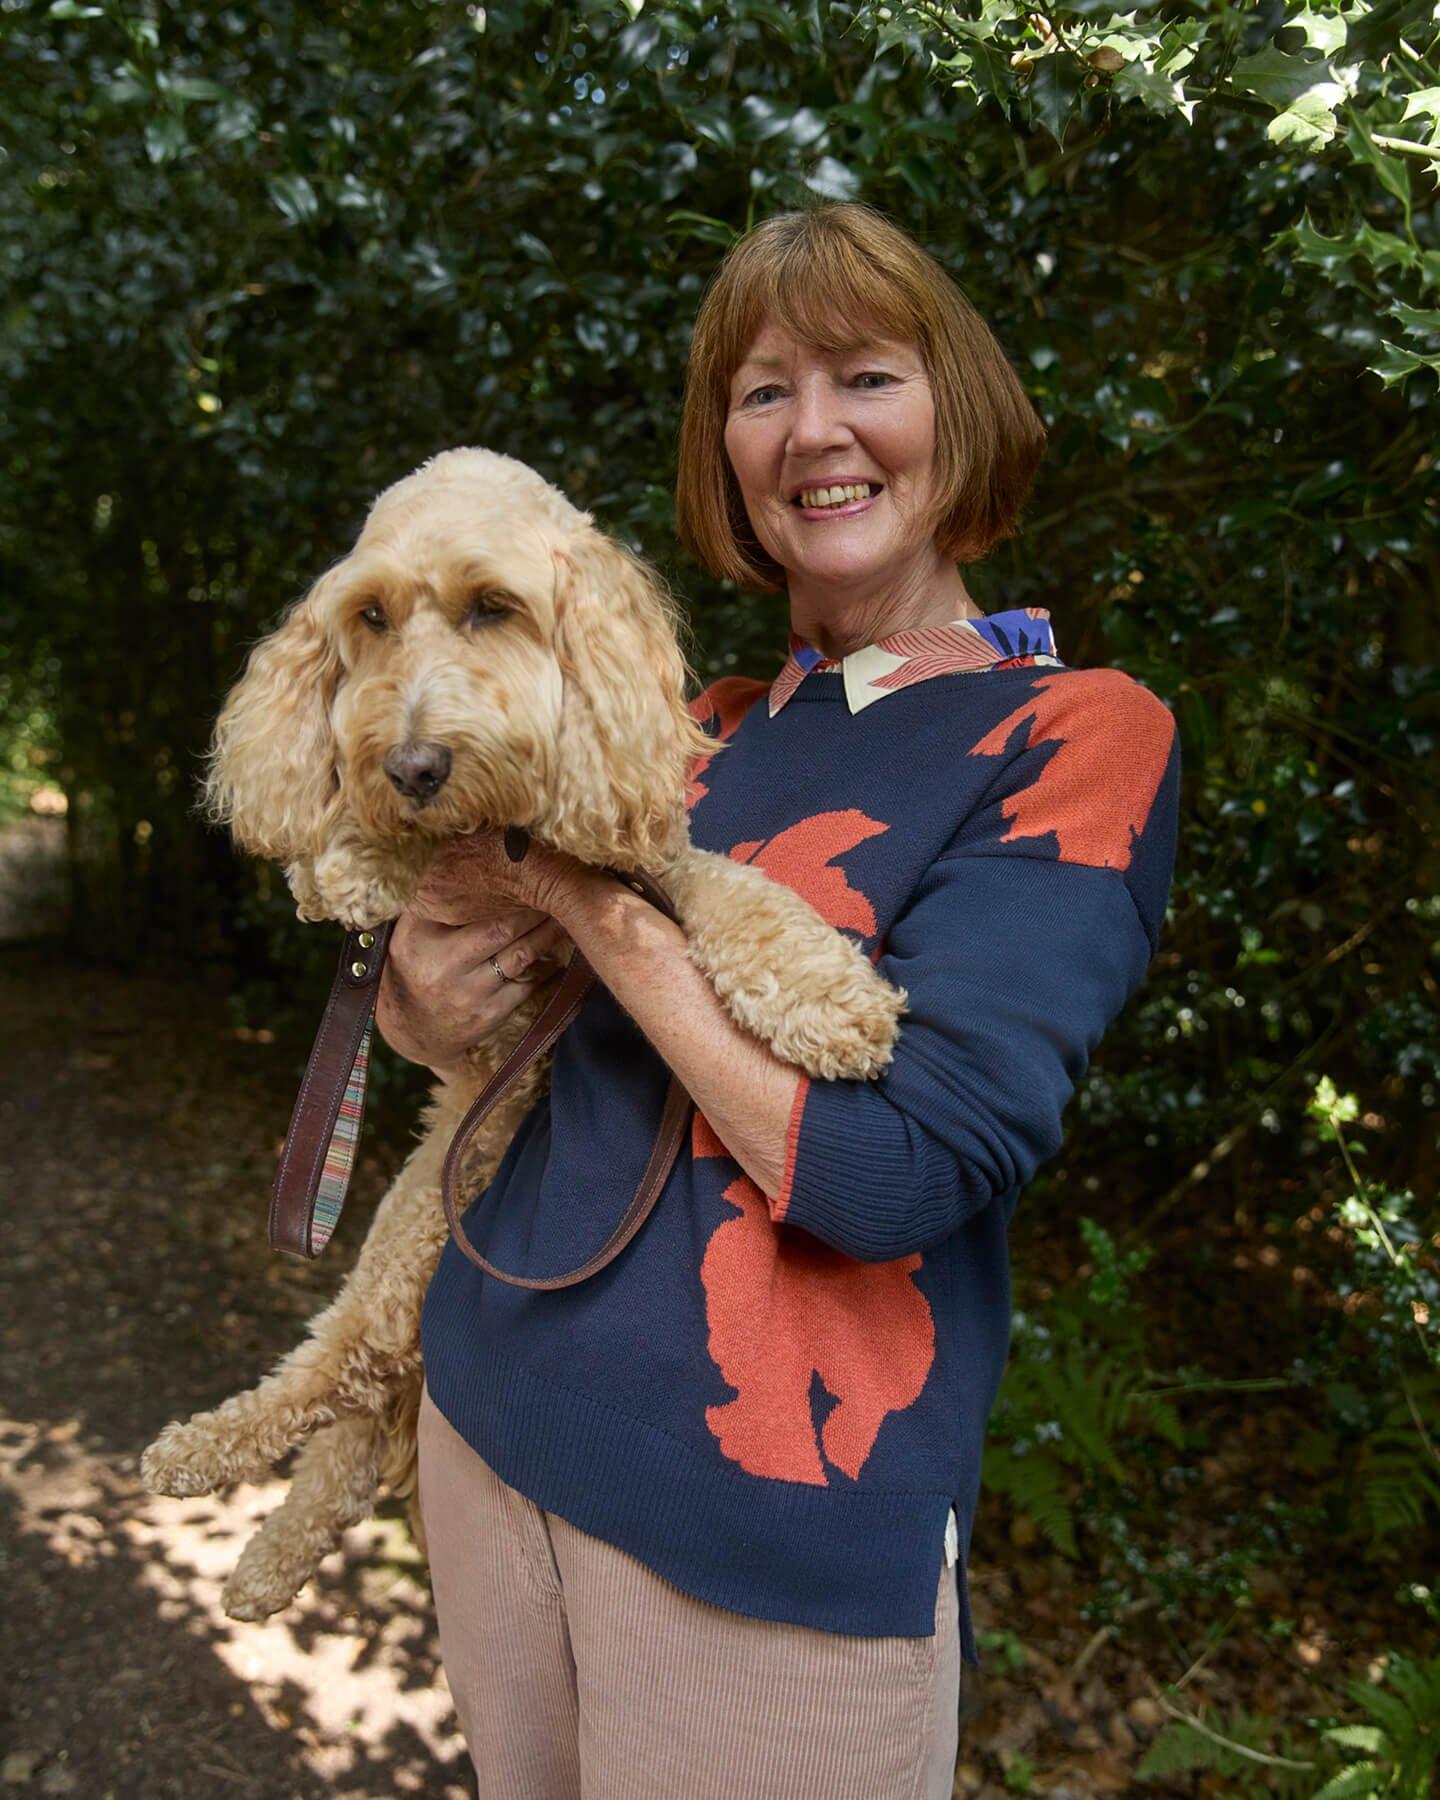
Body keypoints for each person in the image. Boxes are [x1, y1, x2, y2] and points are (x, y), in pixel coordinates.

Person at [376, 201, 1181, 1798]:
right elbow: (488, 1009)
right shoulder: (694, 733)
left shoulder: (1076, 734)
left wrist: (589, 901)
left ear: (955, 407)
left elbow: (898, 1177)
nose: (815, 430)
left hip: (772, 1533)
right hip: (487, 1421)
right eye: (761, 392)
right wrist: (413, 997)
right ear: (725, 452)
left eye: (865, 375)